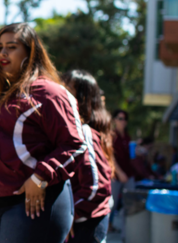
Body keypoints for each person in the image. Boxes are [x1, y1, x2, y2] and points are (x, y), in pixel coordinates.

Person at [0, 23, 84, 243]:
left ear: (30, 51)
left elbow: (75, 145)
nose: (3, 53)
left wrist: (40, 177)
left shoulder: (49, 93)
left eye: (12, 47)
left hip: (32, 203)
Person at [62, 70, 114, 243]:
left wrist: (68, 215)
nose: (60, 92)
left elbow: (96, 187)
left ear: (83, 98)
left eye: (67, 88)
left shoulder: (84, 132)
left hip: (84, 227)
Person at [109, 109, 133, 232]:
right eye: (120, 118)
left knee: (129, 203)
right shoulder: (112, 136)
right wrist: (119, 172)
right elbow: (110, 156)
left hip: (129, 175)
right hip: (116, 176)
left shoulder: (127, 137)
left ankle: (127, 230)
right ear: (114, 120)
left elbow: (130, 156)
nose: (122, 121)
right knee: (112, 203)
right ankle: (108, 225)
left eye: (124, 119)